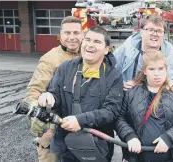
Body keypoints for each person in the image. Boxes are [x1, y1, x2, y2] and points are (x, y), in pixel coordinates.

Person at [37, 26, 123, 162]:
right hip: (65, 145)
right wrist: (49, 98)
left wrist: (81, 121)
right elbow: (54, 93)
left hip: (97, 147)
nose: (90, 45)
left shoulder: (114, 76)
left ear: (106, 49)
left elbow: (111, 111)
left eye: (97, 42)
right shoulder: (65, 68)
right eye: (87, 40)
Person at [115, 50, 173, 162]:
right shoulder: (131, 92)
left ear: (166, 69)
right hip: (136, 157)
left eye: (161, 68)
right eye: (151, 69)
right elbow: (119, 118)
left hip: (170, 157)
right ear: (144, 71)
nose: (156, 73)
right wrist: (130, 136)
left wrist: (169, 137)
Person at [24, 16, 84, 162]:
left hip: (81, 125)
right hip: (53, 128)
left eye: (76, 33)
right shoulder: (50, 59)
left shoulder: (89, 54)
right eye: (67, 33)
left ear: (83, 34)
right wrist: (38, 115)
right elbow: (34, 91)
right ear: (61, 35)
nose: (72, 37)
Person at [113, 14, 173, 91]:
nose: (155, 34)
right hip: (130, 99)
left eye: (159, 31)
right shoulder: (126, 50)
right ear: (141, 32)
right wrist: (123, 84)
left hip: (160, 100)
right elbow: (111, 74)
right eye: (151, 30)